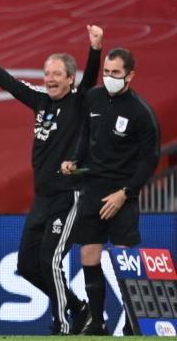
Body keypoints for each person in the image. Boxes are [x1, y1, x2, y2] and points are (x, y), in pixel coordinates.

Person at [0, 25, 103, 334]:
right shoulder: (41, 101)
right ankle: (79, 308)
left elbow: (91, 78)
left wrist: (95, 49)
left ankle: (62, 326)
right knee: (27, 265)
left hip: (69, 196)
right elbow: (10, 83)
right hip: (42, 198)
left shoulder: (79, 102)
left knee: (50, 260)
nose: (50, 79)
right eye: (47, 73)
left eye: (56, 74)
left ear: (70, 78)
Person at [61, 48, 161, 335]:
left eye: (115, 73)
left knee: (124, 263)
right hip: (93, 191)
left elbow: (150, 158)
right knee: (88, 256)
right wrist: (75, 161)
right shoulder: (92, 98)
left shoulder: (141, 112)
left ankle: (133, 324)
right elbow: (86, 135)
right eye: (106, 72)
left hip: (122, 196)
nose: (109, 78)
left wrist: (126, 193)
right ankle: (98, 322)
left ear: (130, 75)